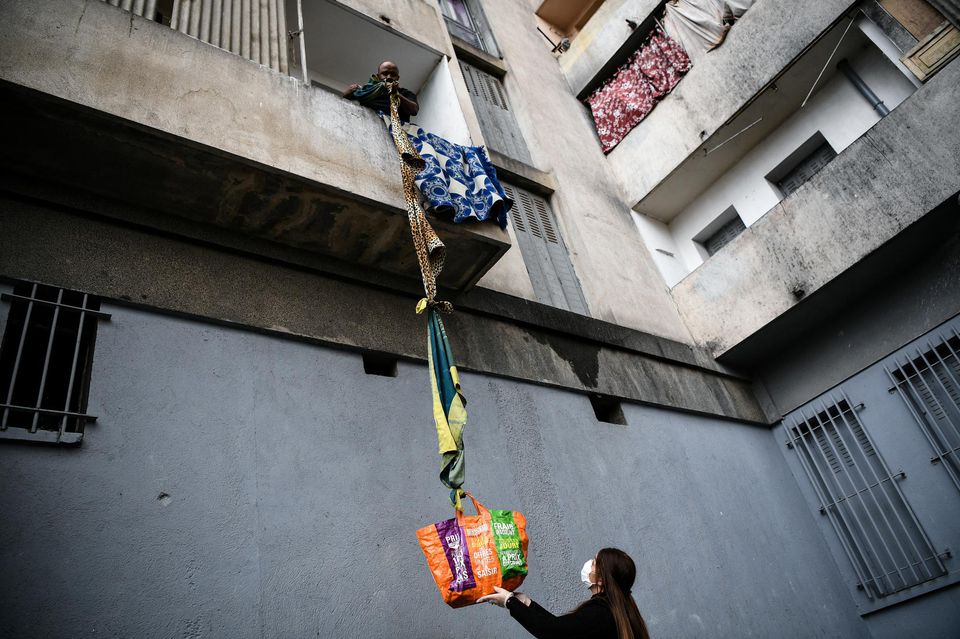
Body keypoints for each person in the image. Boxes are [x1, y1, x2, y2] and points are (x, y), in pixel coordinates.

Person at [478, 547, 650, 639]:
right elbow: (561, 627)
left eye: (595, 562)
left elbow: (553, 632)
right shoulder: (615, 610)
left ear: (601, 580)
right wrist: (527, 604)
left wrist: (510, 602)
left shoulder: (601, 613)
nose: (590, 563)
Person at [342, 60, 419, 121]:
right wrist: (349, 91)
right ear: (378, 76)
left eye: (393, 74)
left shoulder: (405, 93)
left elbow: (414, 110)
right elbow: (345, 100)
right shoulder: (367, 91)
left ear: (397, 78)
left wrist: (396, 94)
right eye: (385, 74)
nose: (389, 77)